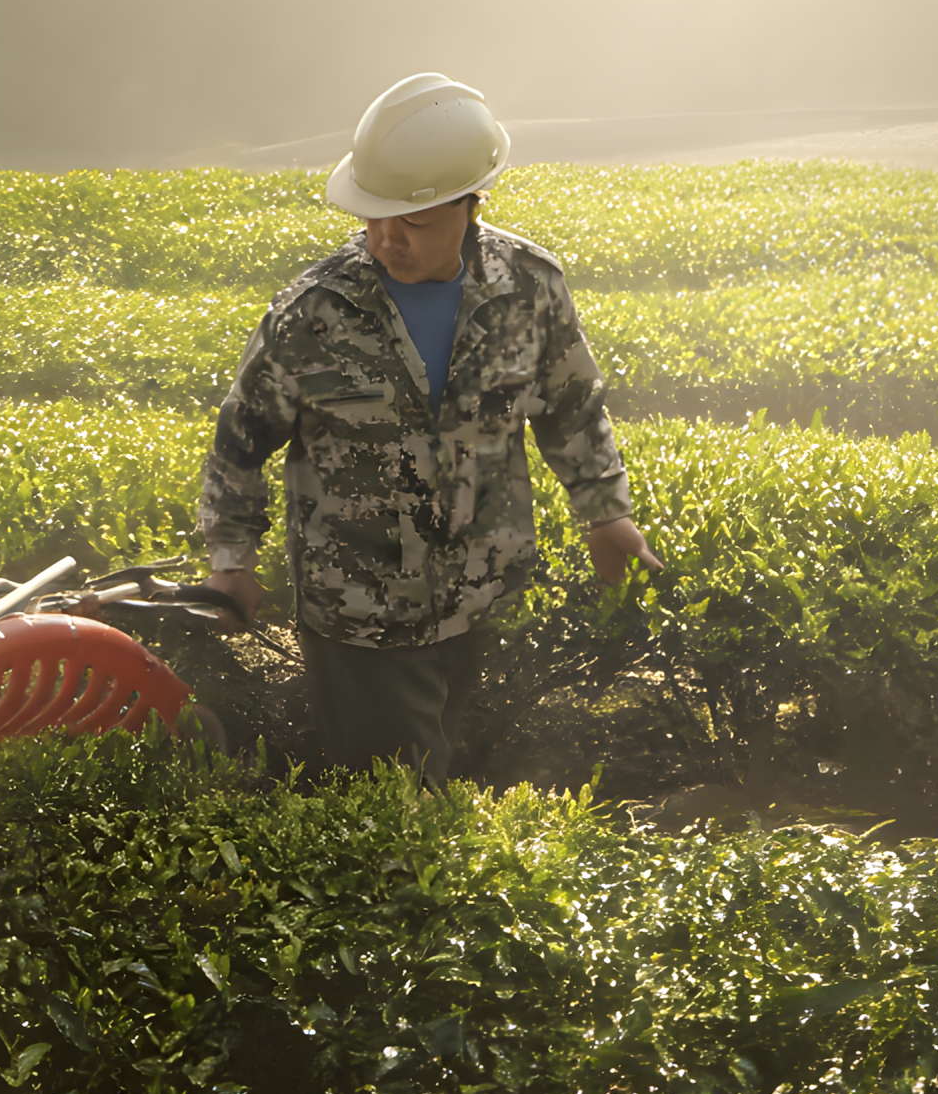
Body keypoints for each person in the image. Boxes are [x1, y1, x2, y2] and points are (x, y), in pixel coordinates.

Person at [197, 73, 663, 785]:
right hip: (361, 612)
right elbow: (241, 441)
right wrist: (232, 562)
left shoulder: (530, 284)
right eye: (372, 216)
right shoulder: (314, 311)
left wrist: (606, 516)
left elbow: (572, 406)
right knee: (402, 803)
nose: (387, 238)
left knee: (450, 790)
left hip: (481, 593)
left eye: (411, 221)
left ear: (470, 203)